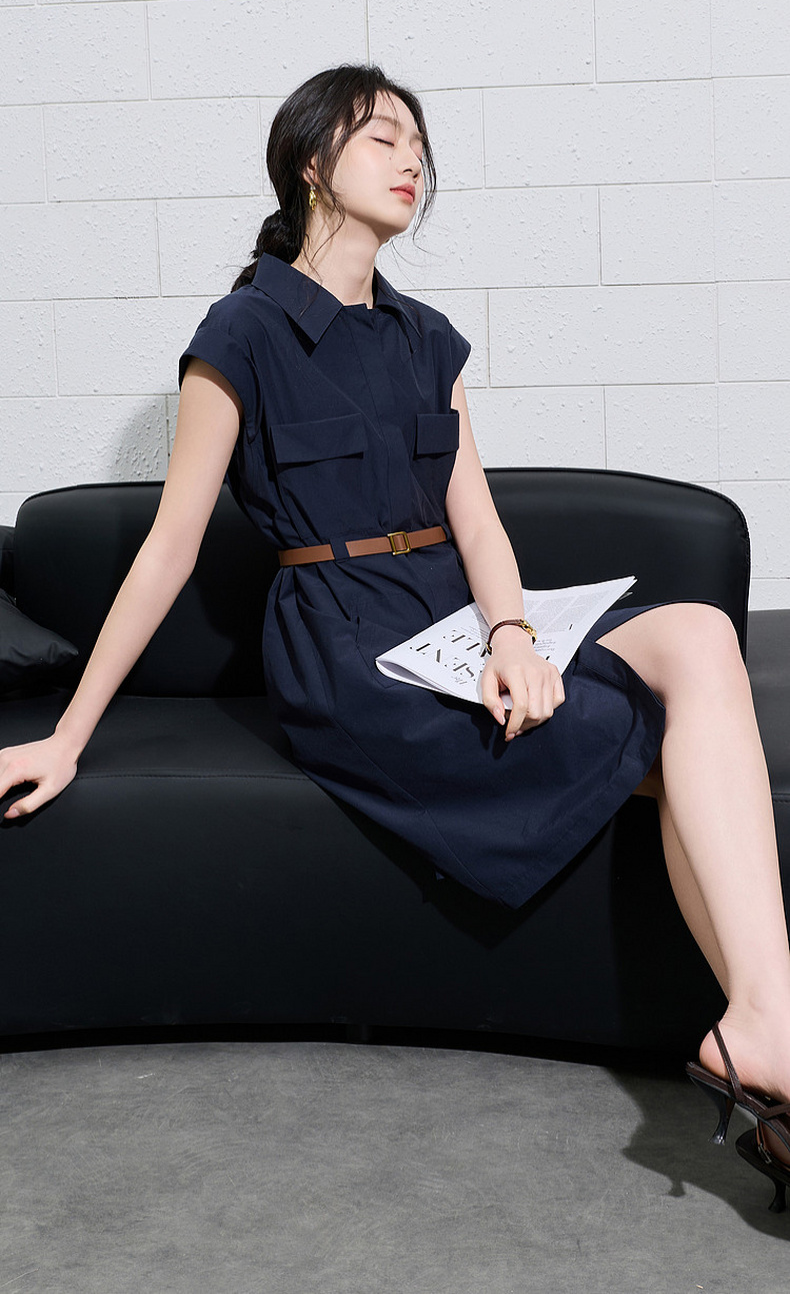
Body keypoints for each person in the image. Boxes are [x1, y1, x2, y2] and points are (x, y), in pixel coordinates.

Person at [1, 62, 789, 1208]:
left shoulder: (427, 339)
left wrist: (512, 634)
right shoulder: (242, 331)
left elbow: (477, 517)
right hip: (345, 647)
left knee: (700, 634)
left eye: (418, 140)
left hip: (456, 616)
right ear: (310, 164)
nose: (411, 157)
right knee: (674, 738)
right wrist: (69, 736)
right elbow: (168, 548)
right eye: (381, 136)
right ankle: (768, 1041)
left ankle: (762, 1022)